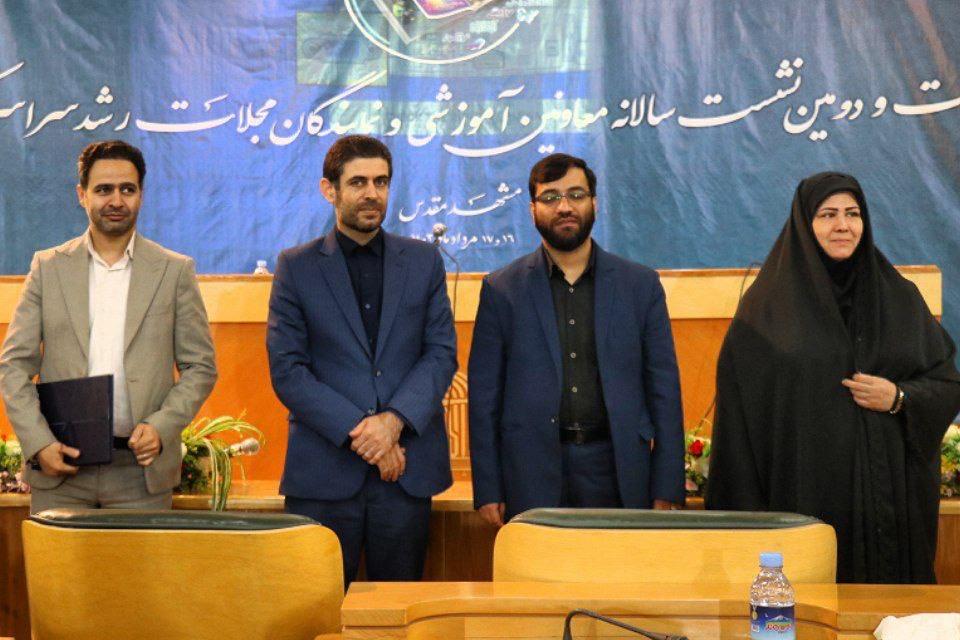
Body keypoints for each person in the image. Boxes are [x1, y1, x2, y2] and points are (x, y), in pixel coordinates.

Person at [706, 172, 960, 583]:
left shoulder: (899, 299)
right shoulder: (764, 313)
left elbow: (946, 384)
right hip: (802, 500)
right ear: (804, 224)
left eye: (852, 213)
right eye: (828, 214)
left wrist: (899, 397)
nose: (843, 225)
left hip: (885, 509)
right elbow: (739, 426)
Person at [267, 135, 457, 584]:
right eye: (358, 182)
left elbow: (441, 353)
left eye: (381, 182)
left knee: (398, 609)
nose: (372, 193)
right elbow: (288, 370)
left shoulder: (424, 261)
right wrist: (365, 433)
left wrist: (393, 423)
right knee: (318, 608)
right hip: (324, 475)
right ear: (329, 190)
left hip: (405, 474)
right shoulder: (296, 267)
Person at [468, 153, 685, 527]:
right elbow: (485, 397)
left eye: (576, 194)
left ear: (594, 203)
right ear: (532, 209)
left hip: (618, 470)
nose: (564, 206)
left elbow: (663, 389)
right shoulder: (502, 290)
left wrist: (667, 483)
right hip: (531, 473)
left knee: (618, 567)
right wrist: (488, 487)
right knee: (540, 568)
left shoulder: (639, 286)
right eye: (550, 197)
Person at [0, 139, 217, 513]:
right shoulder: (48, 268)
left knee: (138, 559)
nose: (116, 200)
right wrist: (38, 442)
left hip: (141, 474)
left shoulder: (174, 271)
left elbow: (201, 367)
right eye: (103, 190)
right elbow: (14, 366)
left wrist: (163, 426)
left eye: (127, 189)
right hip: (61, 469)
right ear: (82, 195)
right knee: (58, 558)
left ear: (141, 195)